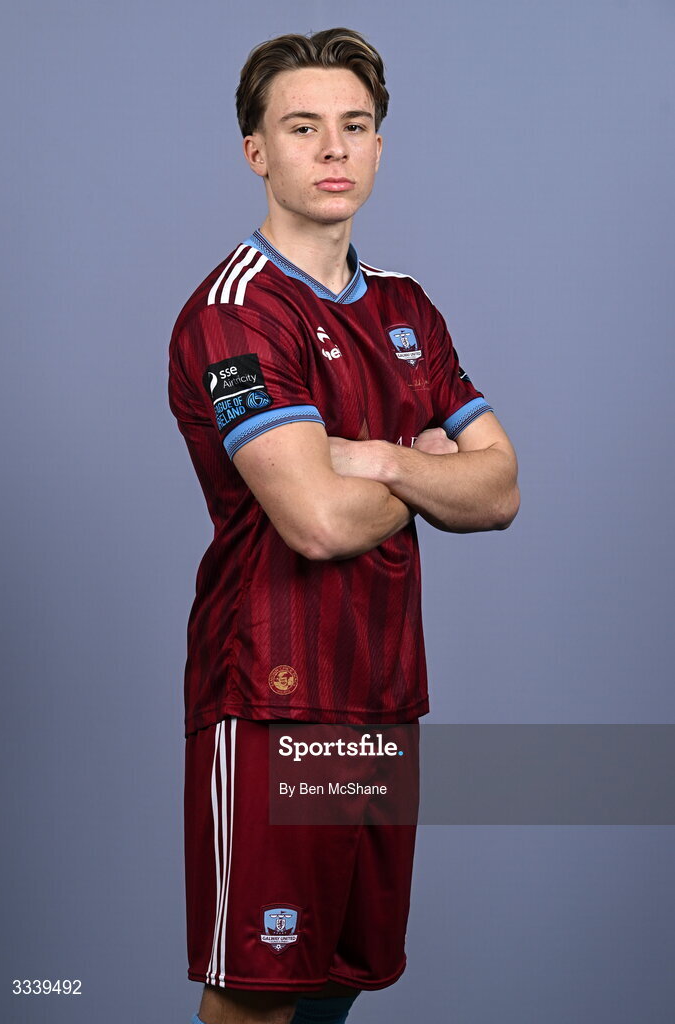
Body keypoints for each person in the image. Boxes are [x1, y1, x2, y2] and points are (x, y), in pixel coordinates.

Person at [168, 26, 519, 1024]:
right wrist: (425, 468)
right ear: (257, 150)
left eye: (353, 126)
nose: (332, 149)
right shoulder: (234, 313)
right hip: (276, 702)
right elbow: (315, 521)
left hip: (382, 698)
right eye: (303, 126)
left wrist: (370, 457)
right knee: (257, 997)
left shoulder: (408, 308)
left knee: (336, 980)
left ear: (377, 145)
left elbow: (497, 492)